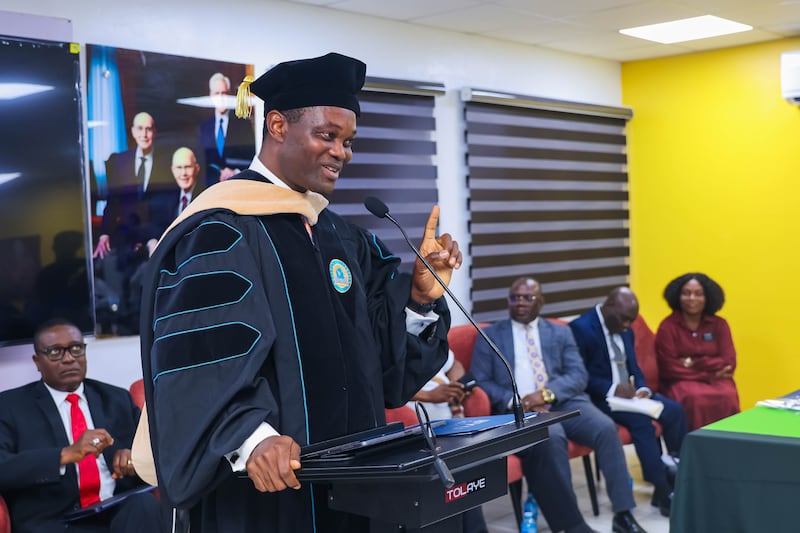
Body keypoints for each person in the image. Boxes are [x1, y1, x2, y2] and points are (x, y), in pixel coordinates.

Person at [137, 52, 462, 533]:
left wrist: (417, 298)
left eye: (348, 142)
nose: (341, 152)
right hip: (266, 493)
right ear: (277, 126)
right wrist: (251, 440)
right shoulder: (221, 230)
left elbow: (386, 373)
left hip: (357, 483)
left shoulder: (343, 237)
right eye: (327, 135)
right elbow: (201, 359)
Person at [471, 277, 647, 533]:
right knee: (552, 436)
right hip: (521, 411)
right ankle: (569, 521)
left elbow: (578, 375)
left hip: (564, 402)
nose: (520, 302)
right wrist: (518, 401)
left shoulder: (560, 331)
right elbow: (481, 380)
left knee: (606, 429)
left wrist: (546, 394)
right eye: (514, 297)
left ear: (541, 302)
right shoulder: (490, 335)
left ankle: (623, 515)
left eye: (527, 297)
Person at [0, 318, 163, 533]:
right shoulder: (10, 406)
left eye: (76, 349)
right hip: (56, 519)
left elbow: (155, 453)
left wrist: (133, 458)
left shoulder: (116, 399)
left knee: (144, 505)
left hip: (114, 510)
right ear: (37, 361)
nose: (68, 359)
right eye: (55, 352)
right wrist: (65, 454)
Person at [569, 287, 688, 517]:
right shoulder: (581, 328)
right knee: (642, 423)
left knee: (675, 411)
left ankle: (676, 475)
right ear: (609, 307)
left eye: (631, 321)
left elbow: (634, 366)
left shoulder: (625, 327)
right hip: (601, 399)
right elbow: (580, 376)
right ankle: (662, 488)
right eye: (624, 320)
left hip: (631, 397)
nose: (627, 325)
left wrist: (642, 388)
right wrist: (613, 388)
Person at [93, 112, 174, 334]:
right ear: (132, 131)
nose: (145, 134)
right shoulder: (120, 161)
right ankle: (123, 323)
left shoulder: (167, 163)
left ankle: (144, 325)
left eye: (149, 129)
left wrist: (153, 237)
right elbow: (113, 201)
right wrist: (104, 233)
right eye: (140, 129)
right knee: (115, 271)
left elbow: (167, 207)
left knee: (146, 280)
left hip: (155, 235)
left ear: (154, 132)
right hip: (126, 235)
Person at [407, 351, 489, 533]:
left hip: (451, 425)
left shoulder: (430, 334)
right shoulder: (389, 340)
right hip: (416, 428)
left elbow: (454, 364)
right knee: (455, 469)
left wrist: (457, 385)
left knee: (469, 468)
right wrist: (429, 395)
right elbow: (386, 389)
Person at [654, 273, 740, 431]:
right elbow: (669, 367)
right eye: (686, 293)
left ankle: (728, 449)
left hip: (716, 381)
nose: (692, 298)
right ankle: (695, 448)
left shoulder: (719, 325)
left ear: (707, 297)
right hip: (680, 382)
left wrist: (693, 363)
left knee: (728, 395)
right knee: (695, 398)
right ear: (678, 297)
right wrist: (707, 372)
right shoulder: (668, 326)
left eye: (698, 294)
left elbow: (729, 362)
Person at [196, 72, 256, 186]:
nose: (221, 98)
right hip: (210, 190)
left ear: (229, 94)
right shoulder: (203, 128)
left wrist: (236, 172)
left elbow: (251, 158)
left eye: (224, 93)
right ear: (211, 95)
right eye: (217, 93)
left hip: (236, 186)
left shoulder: (243, 124)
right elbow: (201, 163)